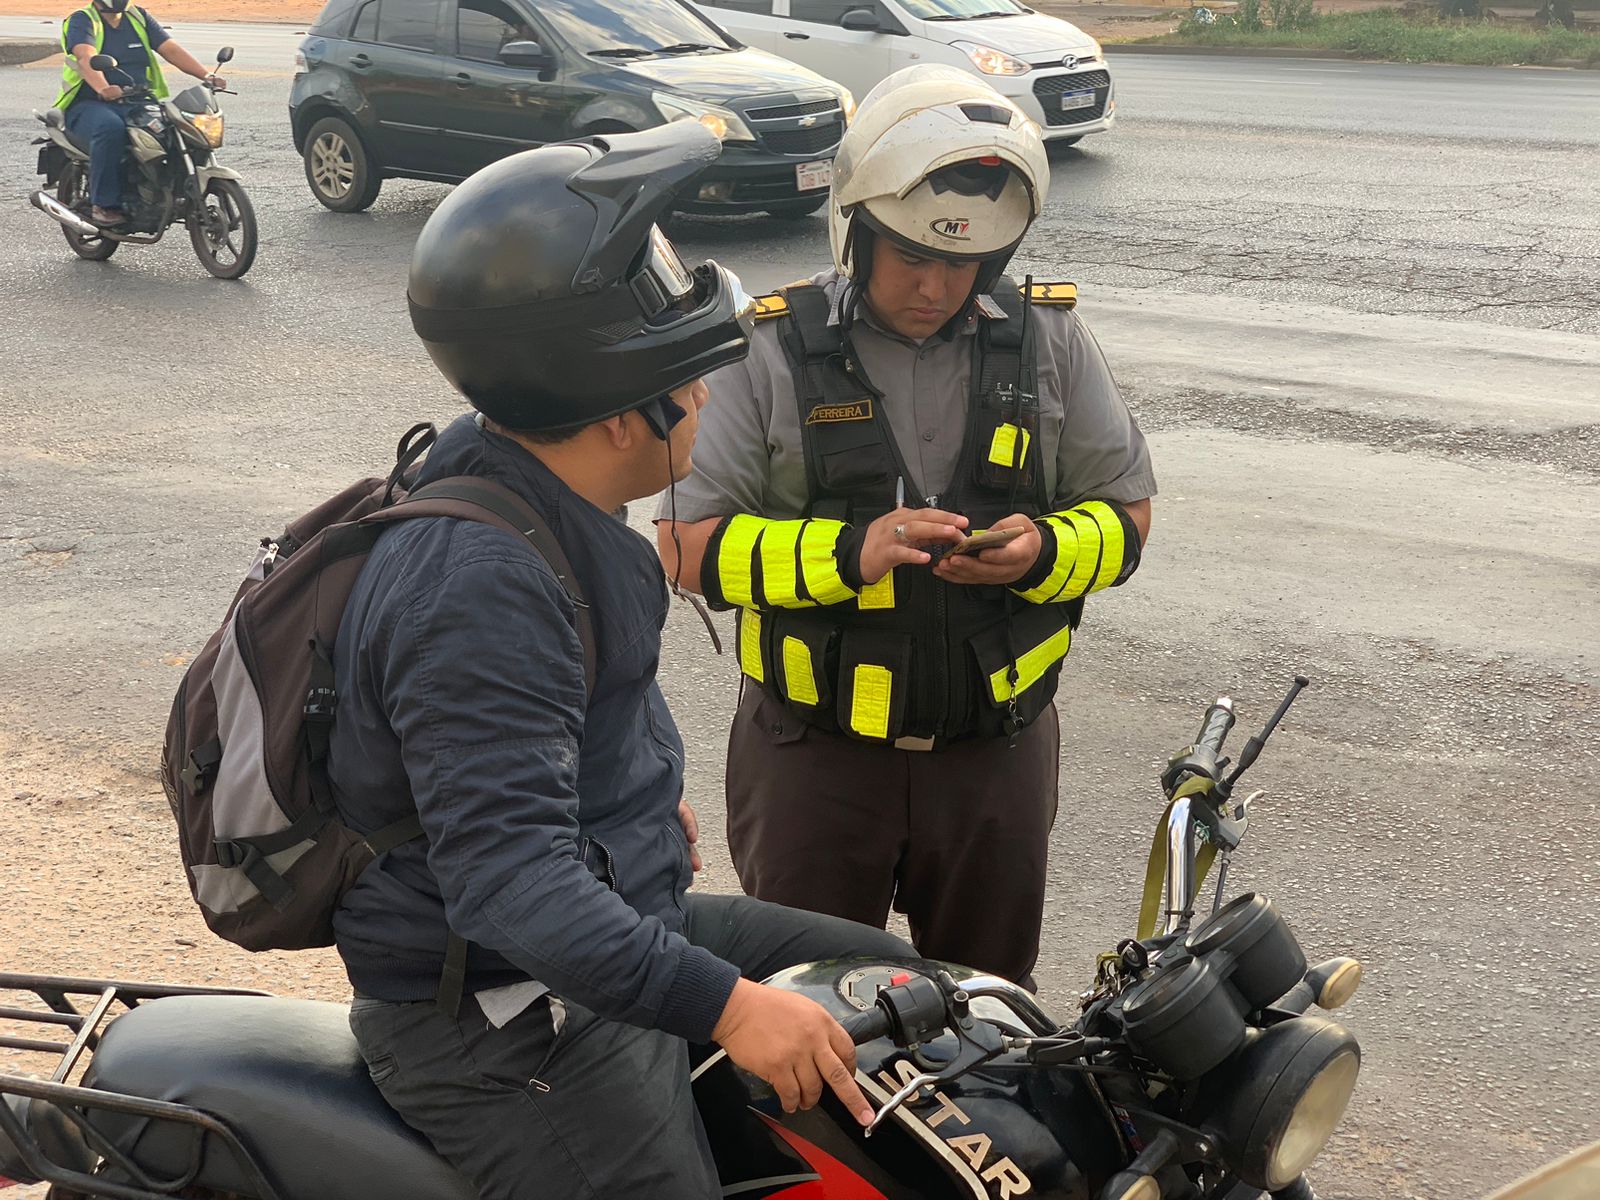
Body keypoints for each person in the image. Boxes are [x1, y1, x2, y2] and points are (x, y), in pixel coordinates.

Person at [328, 122, 914, 1200]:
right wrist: (732, 1008)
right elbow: (510, 887)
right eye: (682, 371)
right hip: (499, 1013)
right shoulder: (480, 585)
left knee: (924, 998)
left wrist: (633, 807)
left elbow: (551, 740)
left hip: (615, 913)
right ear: (605, 401)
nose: (701, 396)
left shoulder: (531, 483)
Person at [654, 65, 1157, 991]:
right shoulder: (767, 348)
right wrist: (853, 554)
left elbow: (1128, 517)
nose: (936, 286)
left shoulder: (1049, 343)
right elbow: (686, 547)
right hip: (814, 762)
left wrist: (1042, 551)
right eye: (914, 258)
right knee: (807, 1021)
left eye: (962, 264)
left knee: (988, 1014)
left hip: (994, 763)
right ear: (859, 231)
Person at [54, 0, 226, 226]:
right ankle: (103, 205)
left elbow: (170, 49)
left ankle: (168, 193)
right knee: (111, 128)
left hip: (136, 100)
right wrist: (103, 88)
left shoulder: (138, 17)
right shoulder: (82, 19)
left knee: (174, 127)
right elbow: (86, 58)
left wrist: (206, 76)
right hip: (89, 104)